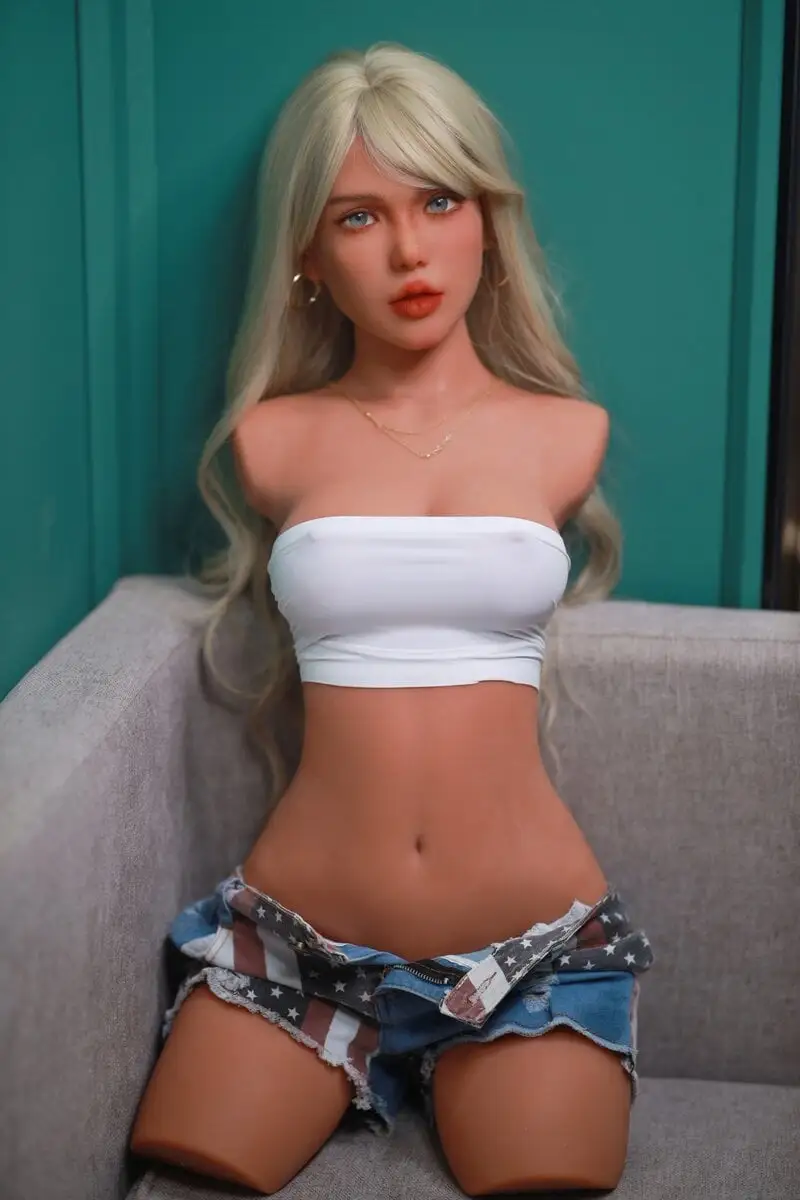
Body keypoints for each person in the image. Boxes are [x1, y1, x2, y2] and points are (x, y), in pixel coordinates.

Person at [130, 42, 654, 1196]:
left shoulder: (563, 432)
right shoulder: (273, 439)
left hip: (525, 956)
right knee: (188, 1166)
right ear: (308, 254)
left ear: (487, 222)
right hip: (297, 949)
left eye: (438, 202)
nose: (409, 250)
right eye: (358, 218)